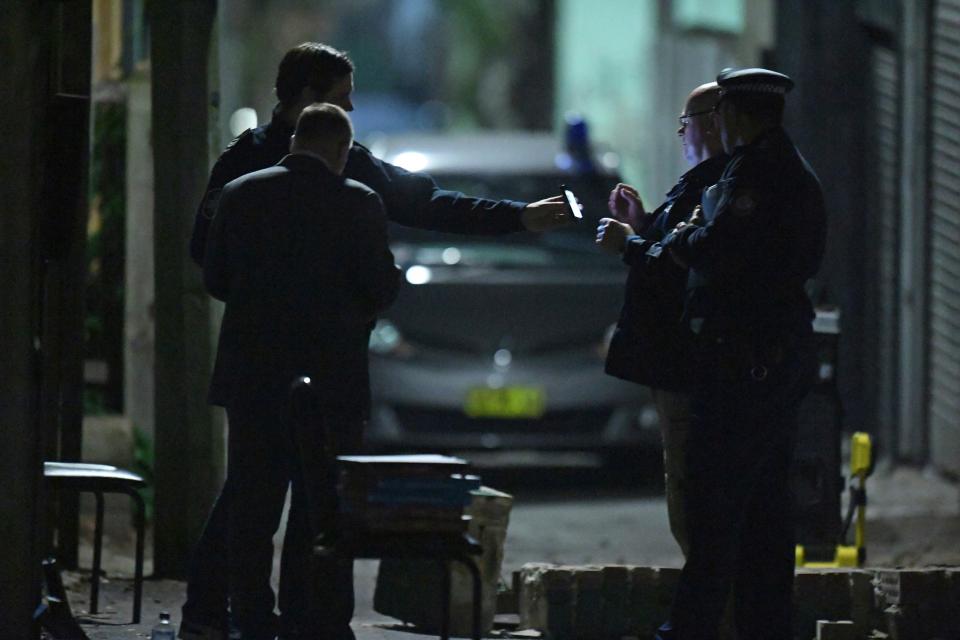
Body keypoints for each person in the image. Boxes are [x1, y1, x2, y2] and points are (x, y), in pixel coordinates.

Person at [188, 103, 401, 640]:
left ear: (295, 141)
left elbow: (216, 277)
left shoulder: (242, 193)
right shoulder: (359, 202)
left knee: (253, 504)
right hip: (332, 380)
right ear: (341, 149)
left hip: (253, 375)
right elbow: (381, 288)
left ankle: (252, 617)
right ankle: (314, 620)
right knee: (321, 508)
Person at [653, 68, 826, 639]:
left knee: (718, 513)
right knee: (763, 514)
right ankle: (763, 626)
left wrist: (682, 238)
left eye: (722, 112)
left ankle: (691, 630)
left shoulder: (754, 173)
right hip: (771, 358)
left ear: (734, 115)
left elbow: (714, 248)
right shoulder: (790, 167)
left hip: (745, 364)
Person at [189, 42, 570, 268]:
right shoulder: (245, 160)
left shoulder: (348, 160)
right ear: (308, 97)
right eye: (341, 97)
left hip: (304, 356)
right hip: (278, 356)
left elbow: (427, 204)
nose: (350, 108)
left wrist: (517, 216)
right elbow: (205, 250)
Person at [595, 82, 727, 558]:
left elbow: (683, 263)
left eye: (684, 123)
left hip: (691, 364)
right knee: (686, 491)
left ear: (711, 122)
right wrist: (645, 222)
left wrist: (629, 243)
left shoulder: (721, 186)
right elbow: (674, 248)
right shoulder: (701, 183)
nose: (681, 134)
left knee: (695, 498)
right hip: (677, 364)